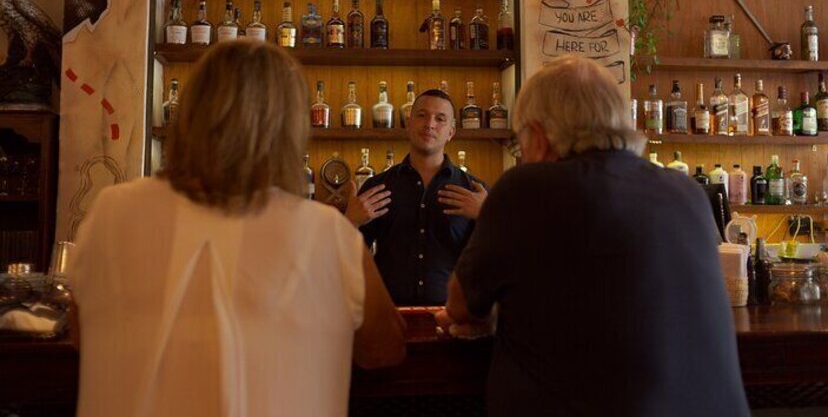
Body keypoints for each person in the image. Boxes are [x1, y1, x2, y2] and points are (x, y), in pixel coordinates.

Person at [68, 41, 405, 417]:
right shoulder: (327, 233)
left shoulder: (112, 211)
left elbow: (82, 336)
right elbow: (384, 350)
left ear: (191, 112)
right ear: (288, 128)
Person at [437, 56, 749, 417]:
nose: (521, 152)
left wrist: (489, 315)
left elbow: (460, 307)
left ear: (538, 137)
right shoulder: (687, 192)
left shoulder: (525, 188)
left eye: (519, 141)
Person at [345, 88, 488, 306]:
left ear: (451, 131)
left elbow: (500, 261)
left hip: (453, 319)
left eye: (440, 119)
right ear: (408, 123)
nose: (430, 124)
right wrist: (349, 223)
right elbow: (350, 262)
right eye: (422, 115)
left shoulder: (475, 191)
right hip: (390, 318)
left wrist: (488, 216)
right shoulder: (378, 186)